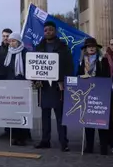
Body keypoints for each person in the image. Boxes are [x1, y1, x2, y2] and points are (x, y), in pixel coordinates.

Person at [34, 21, 72, 152]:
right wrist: (35, 80)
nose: (48, 32)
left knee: (60, 115)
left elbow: (69, 65)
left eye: (50, 30)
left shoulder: (63, 47)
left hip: (58, 86)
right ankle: (45, 140)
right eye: (45, 30)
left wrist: (64, 80)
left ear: (55, 31)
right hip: (44, 86)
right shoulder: (39, 47)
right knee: (45, 115)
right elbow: (34, 66)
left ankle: (63, 141)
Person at [0, 32, 29, 145]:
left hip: (22, 85)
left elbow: (29, 69)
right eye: (10, 41)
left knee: (22, 111)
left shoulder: (25, 53)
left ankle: (22, 137)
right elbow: (4, 70)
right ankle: (14, 135)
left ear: (19, 42)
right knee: (12, 112)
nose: (11, 43)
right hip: (10, 85)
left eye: (14, 41)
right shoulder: (8, 53)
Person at [76, 38, 110, 155]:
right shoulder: (82, 61)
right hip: (87, 93)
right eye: (89, 46)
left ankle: (103, 147)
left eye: (93, 46)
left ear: (97, 48)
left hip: (100, 93)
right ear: (85, 49)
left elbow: (107, 76)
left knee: (101, 121)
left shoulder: (102, 60)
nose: (91, 48)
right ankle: (89, 146)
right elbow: (78, 75)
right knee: (88, 121)